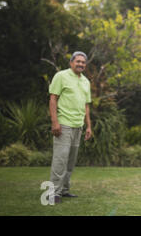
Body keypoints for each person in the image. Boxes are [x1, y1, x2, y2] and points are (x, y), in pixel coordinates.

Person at [48, 51, 92, 204]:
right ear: (71, 62)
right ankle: (53, 193)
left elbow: (86, 105)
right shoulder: (61, 76)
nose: (80, 64)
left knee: (70, 161)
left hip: (78, 126)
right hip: (64, 124)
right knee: (60, 159)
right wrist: (55, 122)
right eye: (78, 61)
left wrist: (88, 126)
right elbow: (53, 99)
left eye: (83, 62)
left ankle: (64, 190)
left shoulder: (86, 81)